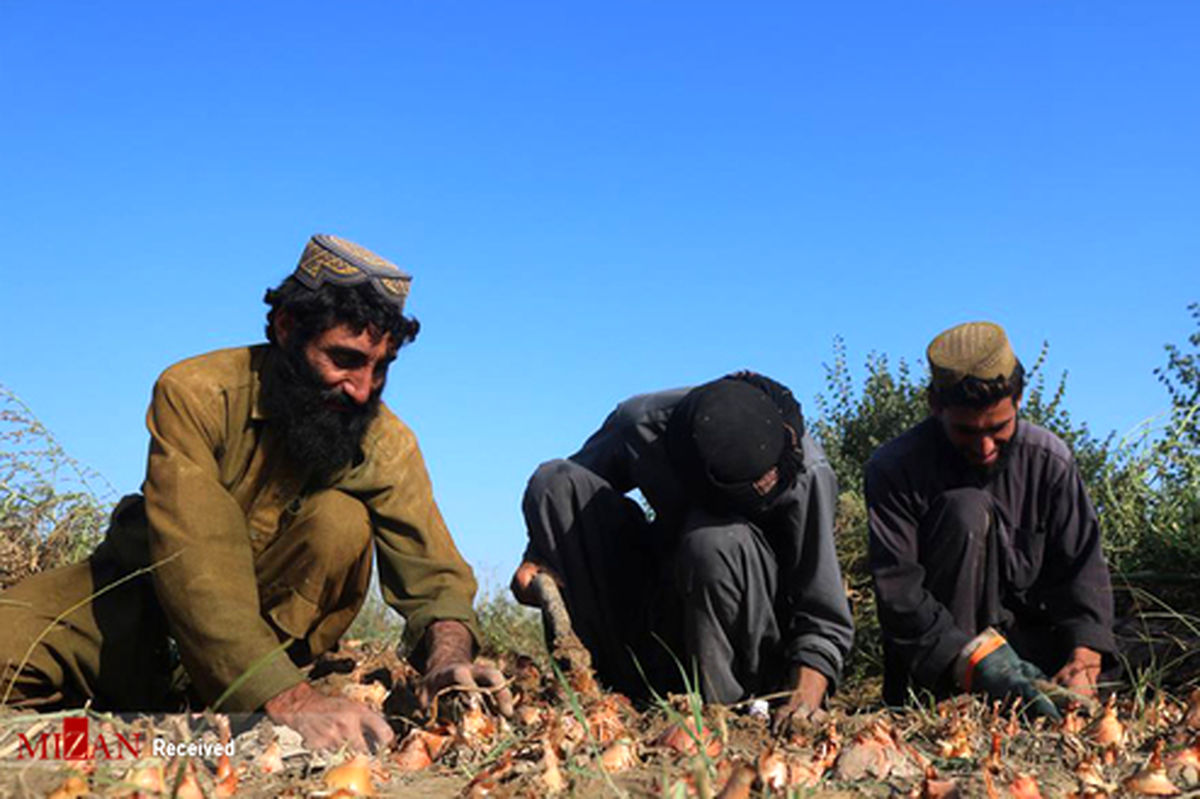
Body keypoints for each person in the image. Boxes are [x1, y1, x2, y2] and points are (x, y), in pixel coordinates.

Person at [0, 234, 511, 750]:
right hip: (142, 602)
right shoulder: (196, 393)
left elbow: (435, 575)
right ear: (287, 328)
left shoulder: (387, 442)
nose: (363, 389)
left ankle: (227, 706)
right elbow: (195, 559)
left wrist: (448, 661)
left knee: (340, 521)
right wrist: (291, 701)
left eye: (381, 368)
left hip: (272, 648)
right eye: (344, 359)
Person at [511, 373, 853, 730]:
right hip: (659, 610)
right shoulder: (640, 424)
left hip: (747, 638)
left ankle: (724, 713)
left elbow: (823, 611)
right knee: (552, 482)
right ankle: (600, 694)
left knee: (713, 541)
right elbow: (565, 504)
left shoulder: (807, 472)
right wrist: (537, 556)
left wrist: (804, 696)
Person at [866, 321, 1116, 717]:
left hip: (1033, 666)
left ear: (1018, 399)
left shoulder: (1050, 461)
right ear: (935, 407)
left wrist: (1085, 658)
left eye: (998, 429)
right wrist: (974, 661)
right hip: (937, 670)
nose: (984, 447)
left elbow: (1082, 570)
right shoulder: (894, 469)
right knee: (965, 510)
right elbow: (899, 595)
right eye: (966, 431)